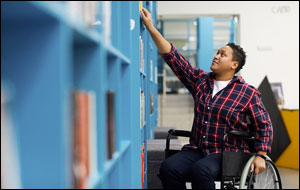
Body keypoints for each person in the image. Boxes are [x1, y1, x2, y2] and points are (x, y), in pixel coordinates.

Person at [141, 8, 273, 189]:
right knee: (169, 168)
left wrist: (261, 154)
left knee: (200, 171)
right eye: (217, 52)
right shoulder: (201, 81)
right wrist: (151, 28)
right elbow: (174, 58)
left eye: (222, 54)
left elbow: (264, 124)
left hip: (227, 154)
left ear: (234, 65)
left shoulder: (247, 93)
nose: (216, 56)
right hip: (198, 150)